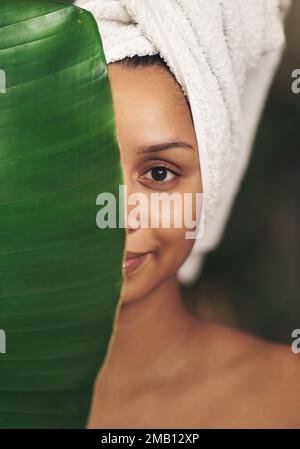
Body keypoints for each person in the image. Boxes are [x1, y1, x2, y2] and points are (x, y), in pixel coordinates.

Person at [86, 54, 300, 429]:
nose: (118, 216)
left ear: (213, 184)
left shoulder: (288, 396)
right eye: (84, 166)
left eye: (159, 172)